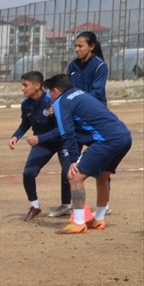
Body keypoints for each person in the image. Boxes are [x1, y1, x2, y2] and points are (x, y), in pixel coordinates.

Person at [42, 73, 132, 235]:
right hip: (124, 136)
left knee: (74, 176)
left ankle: (78, 222)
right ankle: (99, 219)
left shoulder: (61, 102)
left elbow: (67, 132)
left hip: (107, 140)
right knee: (102, 177)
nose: (50, 97)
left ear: (55, 91)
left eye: (50, 93)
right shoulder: (81, 93)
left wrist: (73, 160)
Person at [52, 31, 109, 217]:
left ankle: (104, 205)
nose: (77, 49)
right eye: (75, 46)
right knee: (69, 163)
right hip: (76, 120)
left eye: (80, 46)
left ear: (91, 46)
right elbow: (67, 90)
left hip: (94, 120)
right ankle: (67, 203)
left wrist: (76, 103)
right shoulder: (72, 66)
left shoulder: (100, 66)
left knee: (102, 166)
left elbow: (97, 92)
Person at [8, 71, 69, 221]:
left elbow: (62, 128)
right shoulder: (26, 104)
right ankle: (35, 206)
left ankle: (67, 205)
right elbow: (25, 123)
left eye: (25, 85)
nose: (22, 88)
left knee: (68, 173)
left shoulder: (52, 101)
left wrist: (40, 138)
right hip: (42, 142)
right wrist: (16, 136)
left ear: (37, 85)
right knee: (28, 173)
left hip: (62, 141)